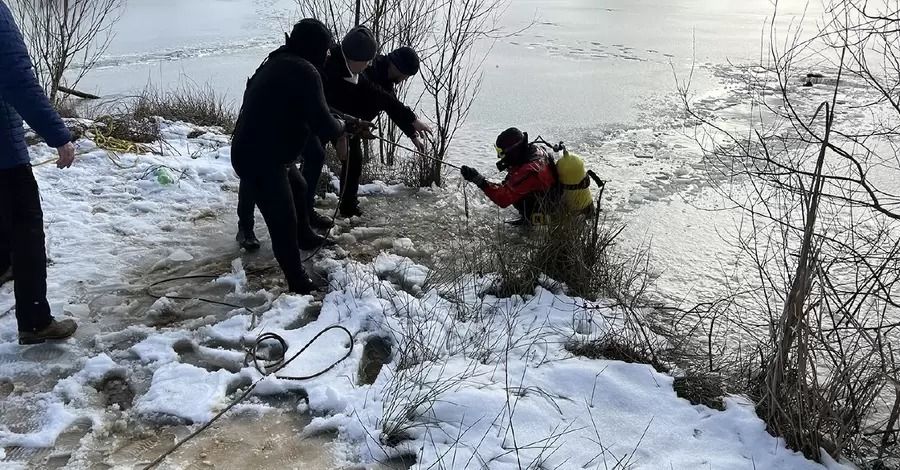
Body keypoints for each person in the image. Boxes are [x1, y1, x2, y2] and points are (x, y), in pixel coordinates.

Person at [230, 18, 371, 294]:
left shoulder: (284, 61)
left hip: (260, 151)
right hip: (261, 158)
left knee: (300, 186)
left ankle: (305, 237)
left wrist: (352, 121)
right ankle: (297, 281)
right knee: (283, 220)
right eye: (327, 49)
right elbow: (323, 123)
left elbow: (318, 107)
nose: (329, 54)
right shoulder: (305, 71)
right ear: (317, 48)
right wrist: (344, 128)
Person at [0, 0, 78, 345]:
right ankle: (35, 322)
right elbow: (17, 79)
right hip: (3, 154)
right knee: (26, 229)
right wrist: (58, 135)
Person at [311, 31, 432, 218]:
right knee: (315, 156)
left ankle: (348, 206)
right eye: (406, 75)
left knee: (354, 161)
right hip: (333, 116)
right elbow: (383, 98)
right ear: (397, 67)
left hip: (351, 125)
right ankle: (304, 207)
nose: (405, 80)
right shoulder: (369, 68)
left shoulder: (386, 78)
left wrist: (411, 132)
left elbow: (390, 105)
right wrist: (413, 119)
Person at [460, 127, 560, 226]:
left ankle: (530, 224)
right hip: (551, 199)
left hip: (542, 217)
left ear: (513, 151)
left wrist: (479, 180)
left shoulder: (528, 171)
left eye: (502, 152)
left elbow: (503, 199)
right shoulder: (535, 151)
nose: (499, 157)